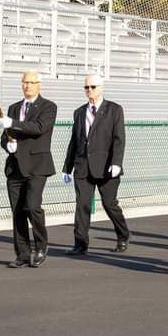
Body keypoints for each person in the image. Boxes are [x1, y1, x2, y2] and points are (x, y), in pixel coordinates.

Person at [62, 73, 129, 256]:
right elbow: (74, 142)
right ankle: (80, 243)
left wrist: (116, 163)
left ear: (102, 88)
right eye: (86, 87)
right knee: (82, 205)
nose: (89, 90)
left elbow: (119, 139)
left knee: (110, 204)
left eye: (93, 87)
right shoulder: (79, 112)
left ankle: (122, 234)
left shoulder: (115, 110)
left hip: (107, 167)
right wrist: (67, 168)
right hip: (83, 167)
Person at [0, 70, 57, 268]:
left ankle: (41, 245)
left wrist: (13, 123)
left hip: (37, 166)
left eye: (32, 82)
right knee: (17, 212)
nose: (28, 86)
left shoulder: (48, 107)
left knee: (32, 206)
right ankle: (22, 254)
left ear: (39, 85)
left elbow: (38, 127)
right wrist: (8, 144)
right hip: (15, 167)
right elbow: (6, 136)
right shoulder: (14, 107)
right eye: (25, 82)